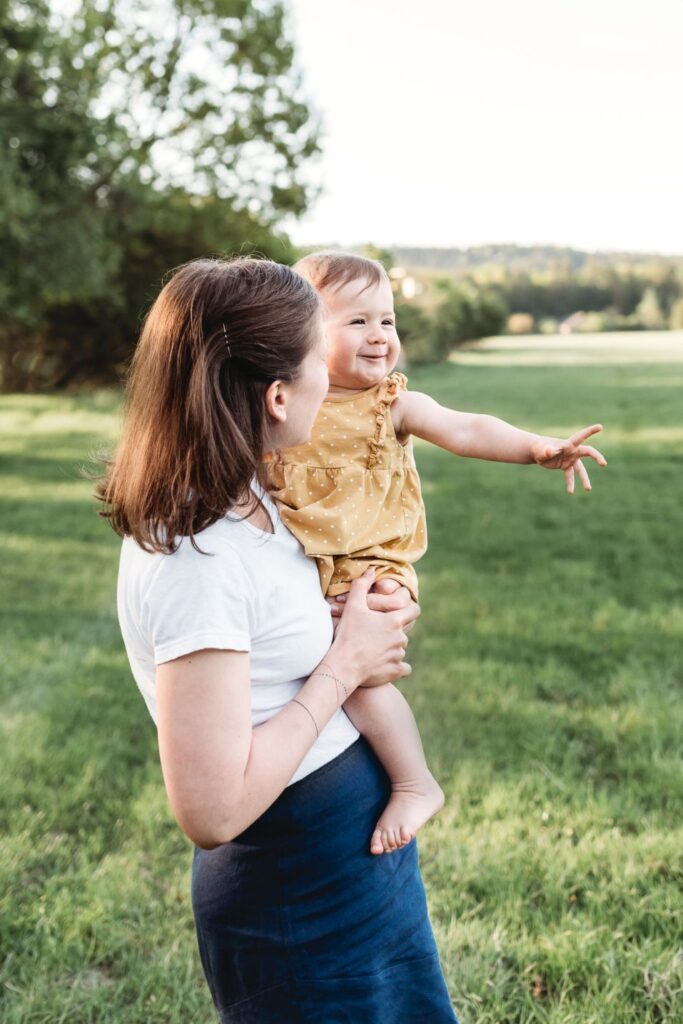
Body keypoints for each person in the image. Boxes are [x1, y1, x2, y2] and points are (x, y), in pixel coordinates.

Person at [99, 257, 460, 1023]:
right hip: (295, 882)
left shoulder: (259, 487)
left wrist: (374, 604)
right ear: (276, 395)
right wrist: (346, 664)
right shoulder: (198, 558)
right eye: (315, 360)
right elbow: (213, 808)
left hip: (352, 844)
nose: (333, 382)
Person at [270, 250, 608, 857]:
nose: (379, 337)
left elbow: (468, 428)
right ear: (304, 334)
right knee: (314, 663)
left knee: (361, 678)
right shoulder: (294, 404)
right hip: (312, 565)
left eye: (388, 321)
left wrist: (537, 447)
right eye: (357, 322)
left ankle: (413, 781)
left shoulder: (392, 404)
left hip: (374, 569)